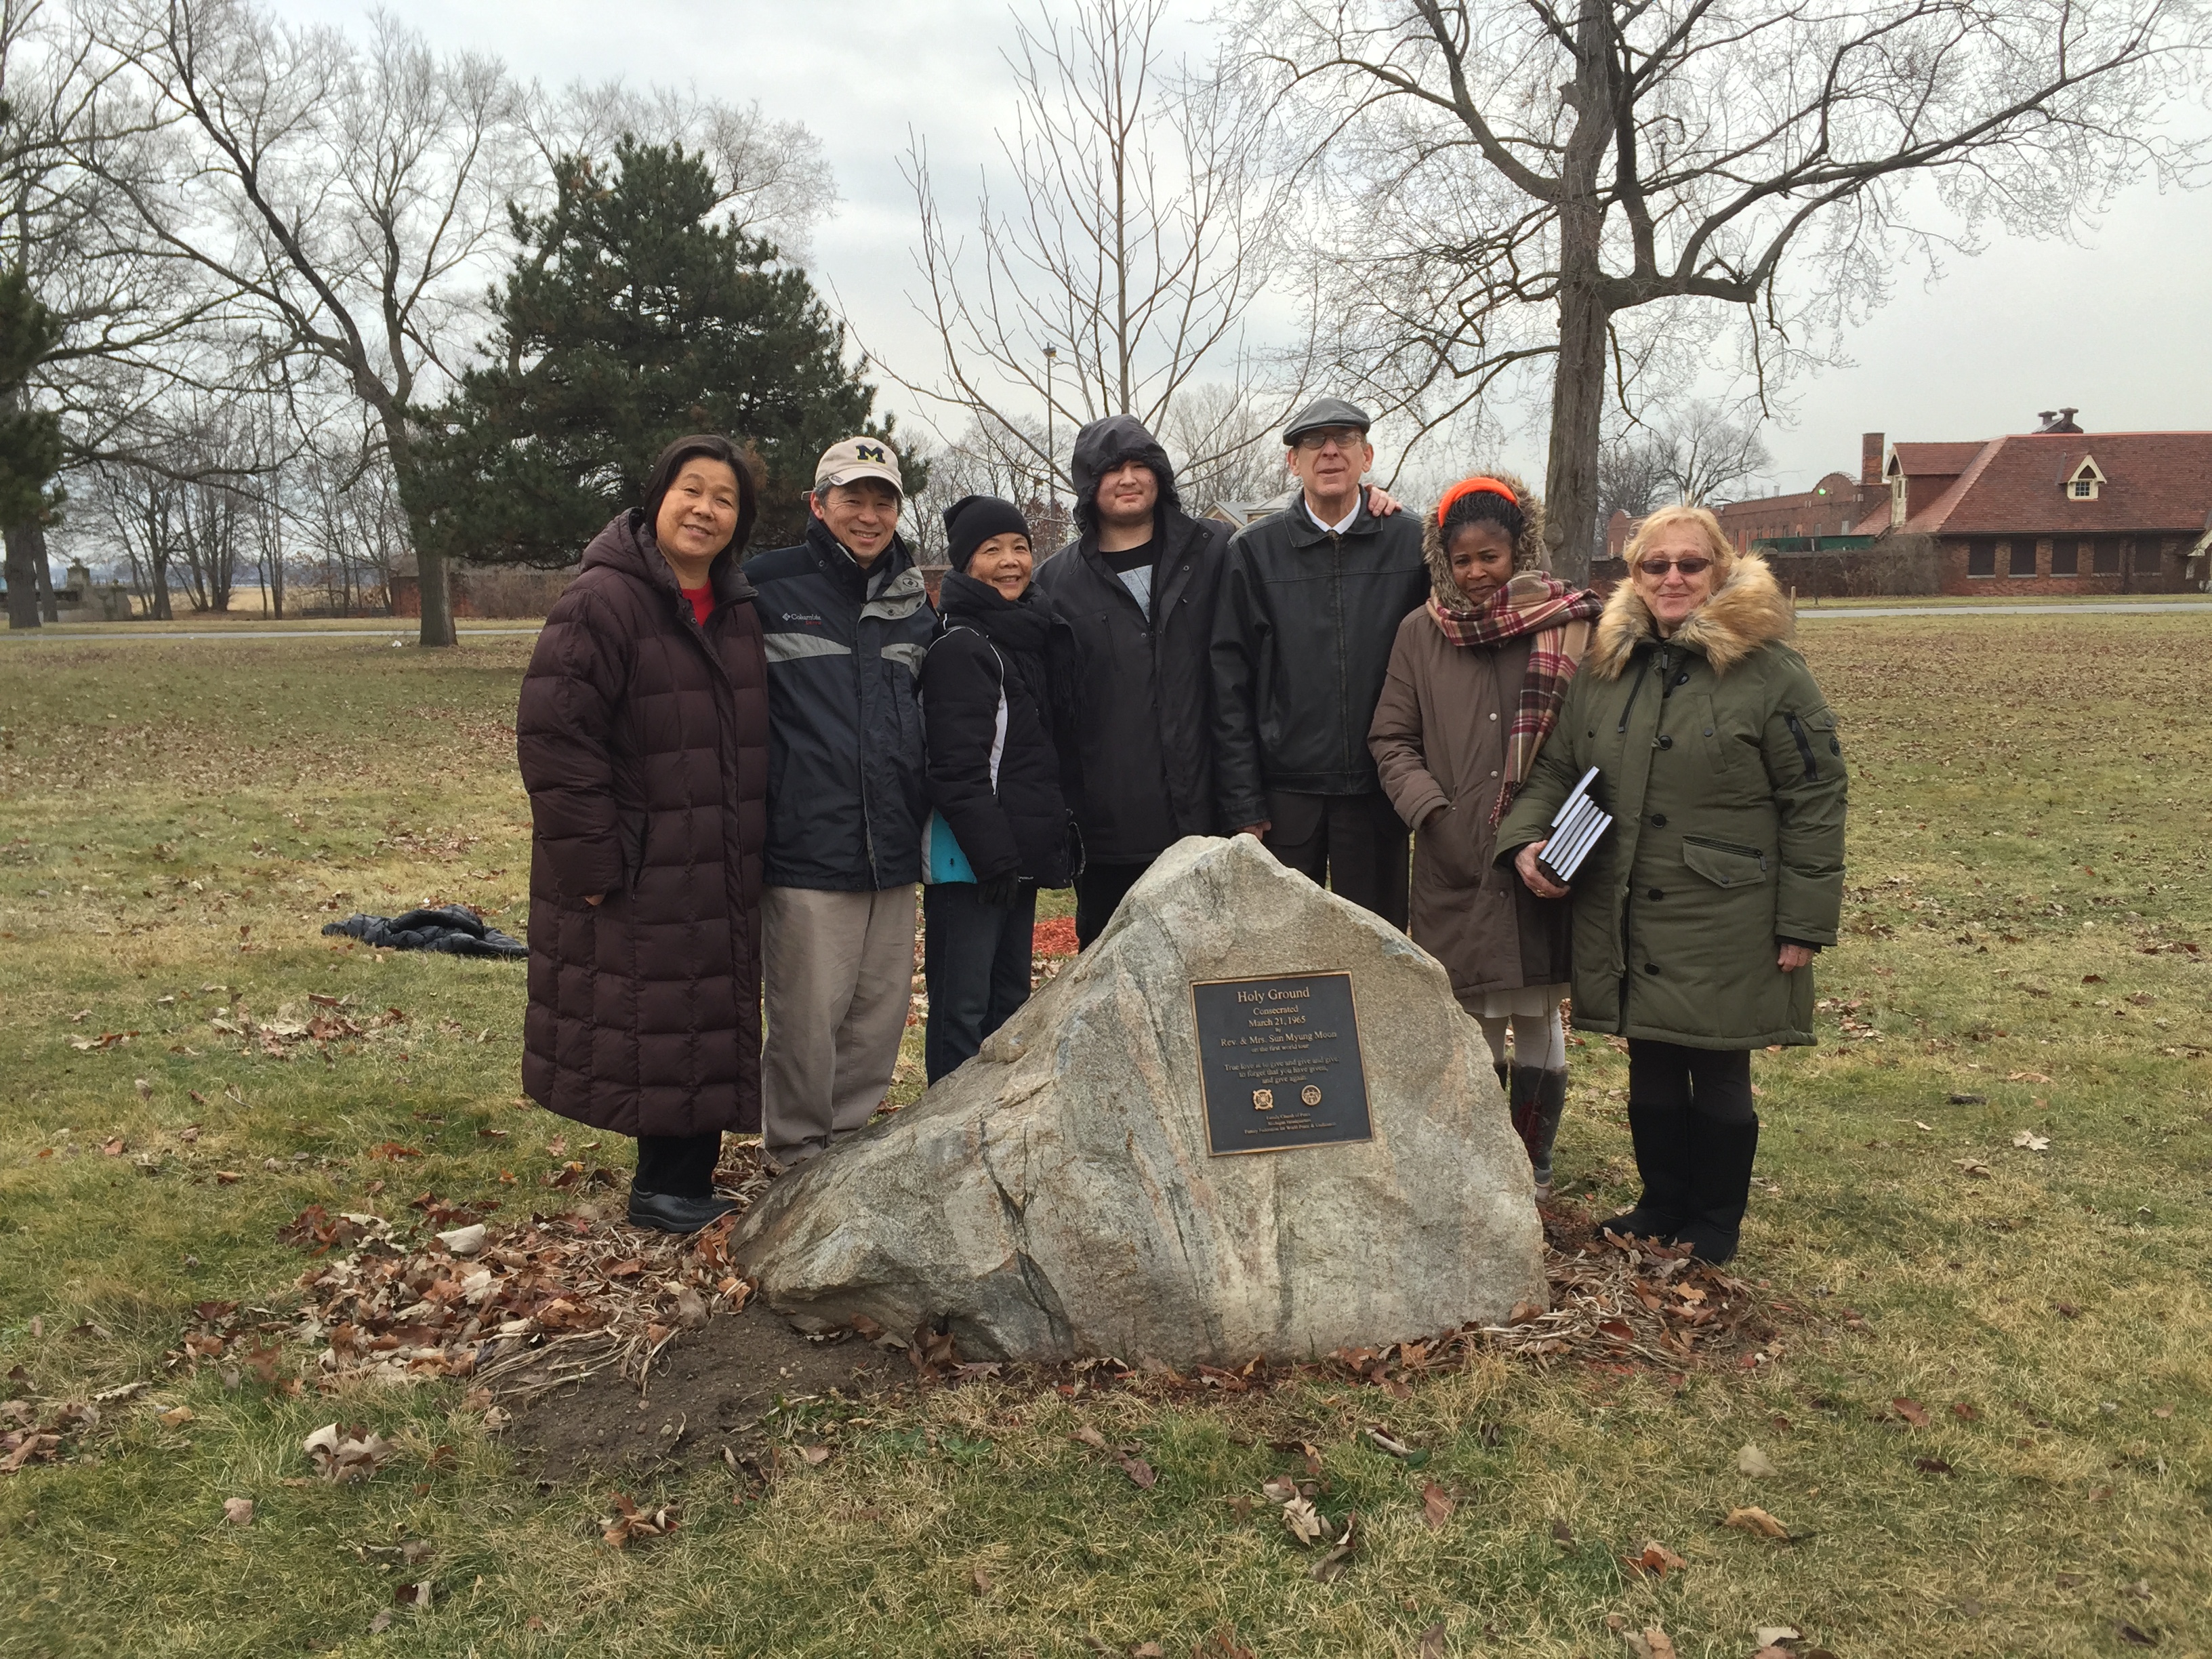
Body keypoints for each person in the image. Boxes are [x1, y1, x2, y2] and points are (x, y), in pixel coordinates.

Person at [1496, 504, 1847, 1263]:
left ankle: (1715, 1221)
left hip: (1728, 909)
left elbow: (1815, 797)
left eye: (1691, 564)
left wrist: (1804, 923)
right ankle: (1661, 1202)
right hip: (1626, 901)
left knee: (1718, 1062)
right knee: (1651, 1058)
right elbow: (1558, 766)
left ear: (1721, 570)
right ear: (1635, 575)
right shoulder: (1606, 666)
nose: (1674, 578)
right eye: (1656, 566)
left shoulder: (1772, 673)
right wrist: (1525, 838)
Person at [516, 434, 770, 1233]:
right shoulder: (603, 601)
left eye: (724, 499)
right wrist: (594, 862)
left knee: (696, 1012)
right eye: (691, 491)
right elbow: (556, 739)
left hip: (715, 855)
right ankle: (664, 1189)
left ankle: (683, 1182)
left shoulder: (735, 610)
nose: (705, 510)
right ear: (657, 497)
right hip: (642, 857)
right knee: (664, 1016)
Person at [1368, 474, 1603, 1199]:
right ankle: (1478, 1161)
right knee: (1472, 1014)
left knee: (1536, 1009)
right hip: (1455, 859)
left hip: (1545, 859)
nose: (1476, 573)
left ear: (1518, 549)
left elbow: (1597, 736)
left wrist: (1561, 833)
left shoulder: (1568, 624)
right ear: (1443, 559)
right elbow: (1391, 739)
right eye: (1462, 560)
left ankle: (1532, 1162)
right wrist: (1433, 814)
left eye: (1490, 557)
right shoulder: (1420, 633)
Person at [747, 437, 936, 1168]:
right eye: (852, 497)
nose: (868, 514)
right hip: (805, 845)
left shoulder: (913, 600)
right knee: (805, 1020)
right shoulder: (767, 587)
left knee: (877, 1017)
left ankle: (848, 1159)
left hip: (890, 847)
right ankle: (796, 1158)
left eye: (882, 499)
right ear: (817, 504)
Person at [1212, 397, 1429, 928]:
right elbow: (1228, 682)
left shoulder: (1412, 543)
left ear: (1367, 455)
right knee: (1279, 954)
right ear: (1293, 462)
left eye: (1344, 440)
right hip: (1286, 795)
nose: (1329, 451)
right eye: (1314, 441)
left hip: (1379, 791)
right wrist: (1243, 802)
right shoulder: (1254, 551)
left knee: (1380, 956)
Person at [1030, 415, 1228, 947]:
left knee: (1215, 983)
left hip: (1208, 818)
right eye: (1112, 469)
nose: (1128, 478)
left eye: (1140, 465)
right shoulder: (1055, 583)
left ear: (1160, 476)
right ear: (1089, 486)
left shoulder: (1217, 553)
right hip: (1109, 830)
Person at [919, 495, 1076, 1081]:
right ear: (964, 565)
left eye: (1019, 548)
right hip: (970, 862)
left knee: (1007, 1006)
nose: (1010, 561)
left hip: (1013, 861)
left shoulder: (1026, 637)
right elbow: (954, 769)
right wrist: (995, 859)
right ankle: (944, 1138)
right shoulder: (964, 645)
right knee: (962, 1011)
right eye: (991, 551)